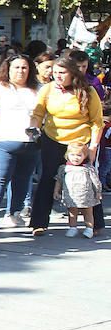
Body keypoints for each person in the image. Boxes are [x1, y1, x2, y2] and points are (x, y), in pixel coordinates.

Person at [29, 56, 104, 238]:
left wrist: (92, 147)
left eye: (62, 73)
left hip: (80, 143)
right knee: (48, 178)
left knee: (86, 182)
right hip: (53, 139)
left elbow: (97, 122)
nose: (58, 76)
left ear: (72, 73)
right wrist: (33, 127)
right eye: (55, 73)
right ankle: (39, 223)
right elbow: (38, 113)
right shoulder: (47, 89)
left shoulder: (88, 91)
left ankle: (95, 223)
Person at [0, 55, 40, 227]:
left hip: (31, 144)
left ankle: (14, 213)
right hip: (2, 141)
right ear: (8, 69)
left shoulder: (39, 88)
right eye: (16, 67)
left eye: (24, 67)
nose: (20, 71)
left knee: (23, 180)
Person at [54, 146, 101, 238]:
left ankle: (89, 228)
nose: (76, 157)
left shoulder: (88, 168)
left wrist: (98, 192)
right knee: (72, 212)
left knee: (88, 212)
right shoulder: (64, 168)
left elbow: (96, 181)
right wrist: (56, 191)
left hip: (86, 195)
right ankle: (73, 227)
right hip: (71, 195)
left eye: (79, 155)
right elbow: (59, 180)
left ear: (85, 156)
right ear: (67, 155)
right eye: (72, 155)